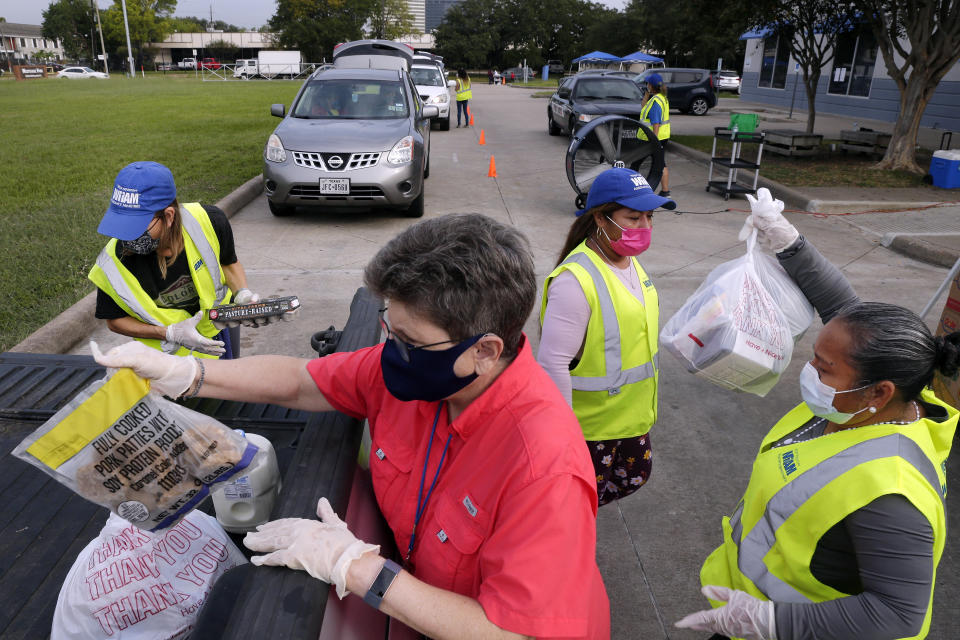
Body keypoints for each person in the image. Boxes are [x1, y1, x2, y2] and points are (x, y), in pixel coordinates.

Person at [93, 213, 611, 639]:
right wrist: (187, 373)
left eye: (409, 341)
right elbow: (301, 381)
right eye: (389, 328)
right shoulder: (418, 376)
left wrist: (356, 569)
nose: (391, 351)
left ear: (485, 351)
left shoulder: (544, 468)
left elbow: (514, 633)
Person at [675, 189, 959, 640]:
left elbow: (899, 615)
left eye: (822, 368)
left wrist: (768, 622)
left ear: (879, 391)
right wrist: (787, 241)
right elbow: (843, 309)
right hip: (743, 605)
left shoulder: (891, 497)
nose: (807, 372)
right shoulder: (864, 401)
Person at [538, 168, 676, 506]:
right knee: (575, 507)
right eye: (633, 218)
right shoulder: (575, 280)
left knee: (633, 476)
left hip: (631, 416)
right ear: (600, 218)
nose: (645, 227)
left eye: (649, 217)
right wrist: (563, 436)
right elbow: (552, 362)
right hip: (591, 430)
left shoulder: (629, 261)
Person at [89, 161, 261, 360]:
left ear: (169, 216)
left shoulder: (209, 222)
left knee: (225, 385)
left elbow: (228, 263)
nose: (126, 236)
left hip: (217, 329)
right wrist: (169, 333)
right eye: (122, 223)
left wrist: (242, 294)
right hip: (162, 354)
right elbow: (114, 320)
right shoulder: (113, 262)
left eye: (135, 226)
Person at [637, 73, 671, 197]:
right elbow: (643, 107)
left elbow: (656, 123)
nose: (646, 85)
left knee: (636, 162)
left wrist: (654, 141)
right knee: (661, 163)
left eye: (648, 84)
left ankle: (633, 188)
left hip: (652, 138)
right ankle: (665, 191)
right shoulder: (661, 98)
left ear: (651, 85)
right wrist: (646, 94)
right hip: (661, 137)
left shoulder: (656, 102)